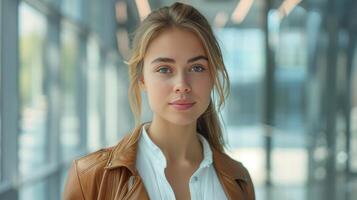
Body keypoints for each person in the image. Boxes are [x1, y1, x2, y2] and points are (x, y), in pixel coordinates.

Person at [63, 2, 255, 200]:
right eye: (164, 69)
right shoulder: (91, 177)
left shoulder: (238, 180)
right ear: (142, 79)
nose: (182, 84)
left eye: (197, 68)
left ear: (213, 76)